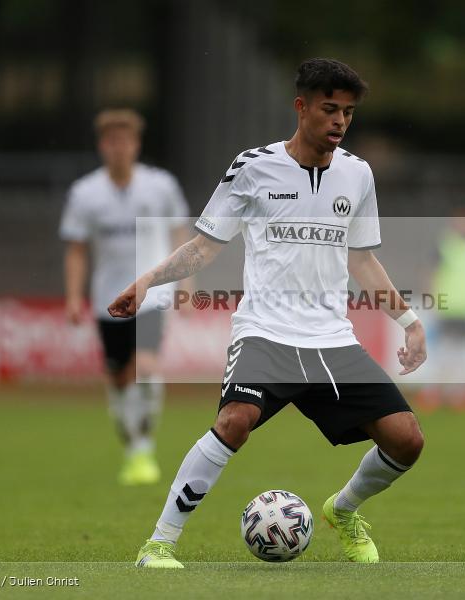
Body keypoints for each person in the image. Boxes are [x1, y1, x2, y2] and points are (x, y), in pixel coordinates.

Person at [109, 58, 426, 567]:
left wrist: (408, 322)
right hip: (266, 334)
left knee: (407, 440)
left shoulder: (358, 174)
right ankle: (159, 544)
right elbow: (204, 246)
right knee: (234, 422)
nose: (340, 121)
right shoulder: (252, 166)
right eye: (330, 109)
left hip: (331, 341)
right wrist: (149, 280)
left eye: (348, 112)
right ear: (301, 108)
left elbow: (361, 259)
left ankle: (343, 511)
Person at [60, 108, 190, 485]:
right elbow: (76, 249)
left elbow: (180, 232)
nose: (119, 148)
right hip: (108, 298)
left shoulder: (161, 186)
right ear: (103, 145)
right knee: (118, 379)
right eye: (111, 141)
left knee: (146, 369)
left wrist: (185, 281)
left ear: (136, 144)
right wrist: (72, 296)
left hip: (151, 294)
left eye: (126, 141)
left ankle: (144, 448)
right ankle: (131, 445)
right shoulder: (85, 193)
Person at [418, 207, 465, 410]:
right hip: (448, 306)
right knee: (444, 350)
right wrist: (432, 298)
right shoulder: (445, 243)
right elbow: (431, 272)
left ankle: (458, 394)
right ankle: (432, 391)